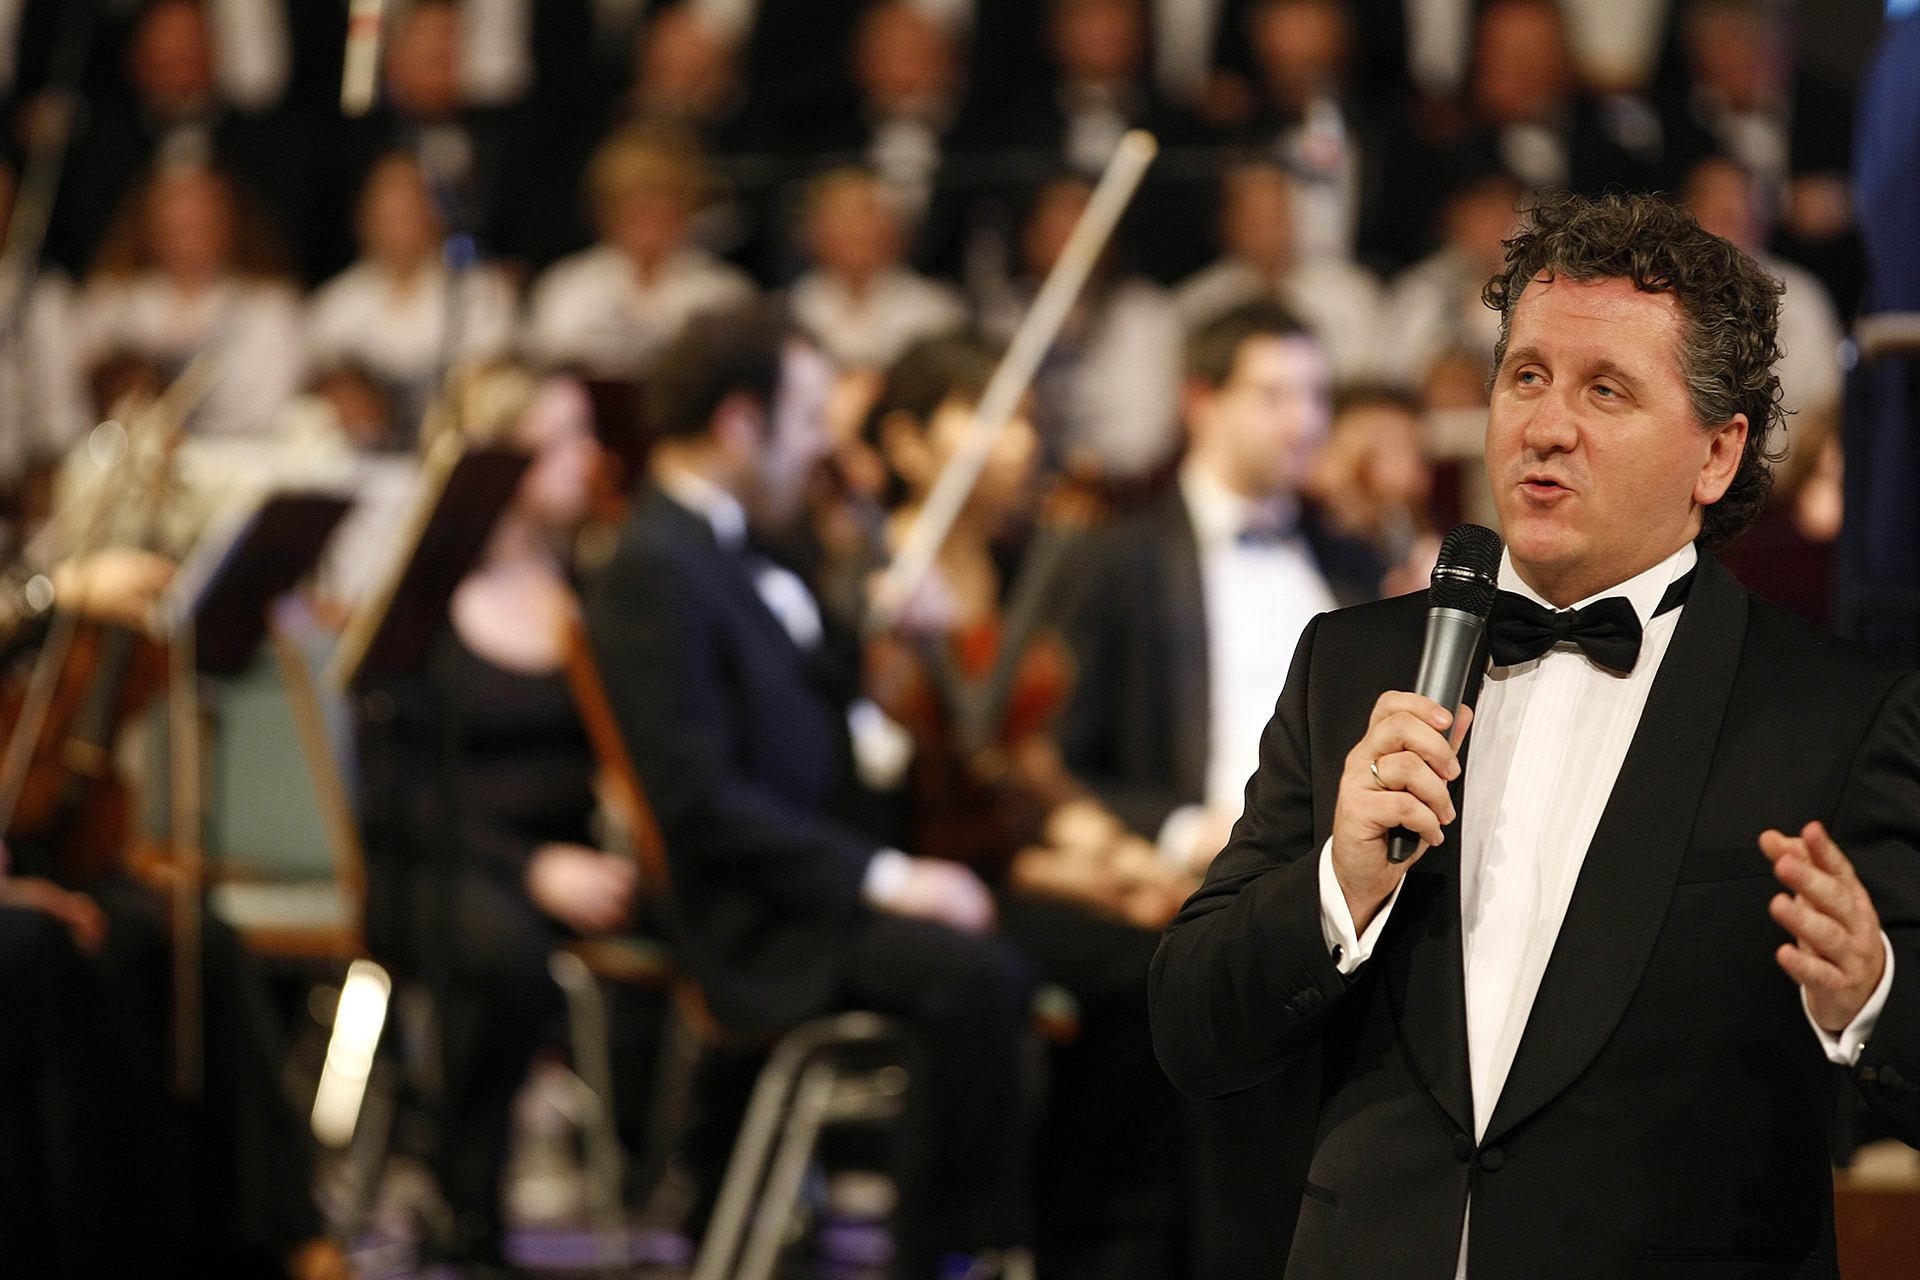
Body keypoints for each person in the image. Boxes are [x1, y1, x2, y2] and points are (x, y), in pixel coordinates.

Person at [1150, 191, 1920, 1277]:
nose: (1545, 426)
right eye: (1525, 376)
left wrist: (1872, 998)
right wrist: (1338, 885)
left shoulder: (1837, 711)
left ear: (1717, 453)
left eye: (1606, 389)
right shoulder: (1351, 667)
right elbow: (1192, 1030)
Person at [581, 307, 1033, 1279]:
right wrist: (888, 877)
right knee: (979, 979)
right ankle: (948, 1254)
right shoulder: (652, 564)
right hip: (761, 911)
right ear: (739, 423)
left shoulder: (759, 542)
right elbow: (699, 795)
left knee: (1037, 937)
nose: (828, 447)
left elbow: (817, 698)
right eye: (806, 419)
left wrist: (881, 642)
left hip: (820, 878)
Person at [356, 363, 629, 1269]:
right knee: (504, 952)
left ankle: (679, 1177)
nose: (589, 457)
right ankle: (468, 1200)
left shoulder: (590, 585)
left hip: (569, 864)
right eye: (564, 438)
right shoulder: (424, 605)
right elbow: (400, 794)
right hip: (440, 864)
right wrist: (532, 867)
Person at [77, 164, 305, 438]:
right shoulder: (110, 304)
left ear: (230, 219)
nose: (188, 231)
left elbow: (278, 415)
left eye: (202, 216)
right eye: (176, 218)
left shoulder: (269, 308)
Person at [307, 153, 519, 442]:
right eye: (387, 213)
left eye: (410, 210)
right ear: (363, 216)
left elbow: (495, 394)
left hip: (454, 446)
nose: (398, 226)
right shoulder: (335, 305)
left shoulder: (479, 294)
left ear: (438, 213)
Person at [523, 124, 756, 380]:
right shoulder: (566, 288)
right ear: (604, 209)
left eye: (661, 198)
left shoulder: (724, 295)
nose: (645, 214)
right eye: (630, 200)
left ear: (688, 205)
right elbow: (547, 376)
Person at [1174, 162, 1384, 386]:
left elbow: (1369, 383)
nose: (1269, 229)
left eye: (1277, 213)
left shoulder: (1352, 294)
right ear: (1226, 222)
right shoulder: (1197, 304)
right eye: (1255, 216)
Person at [788, 168, 968, 373]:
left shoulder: (936, 311)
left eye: (867, 215)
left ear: (898, 230)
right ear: (812, 233)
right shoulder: (791, 310)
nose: (856, 230)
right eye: (841, 218)